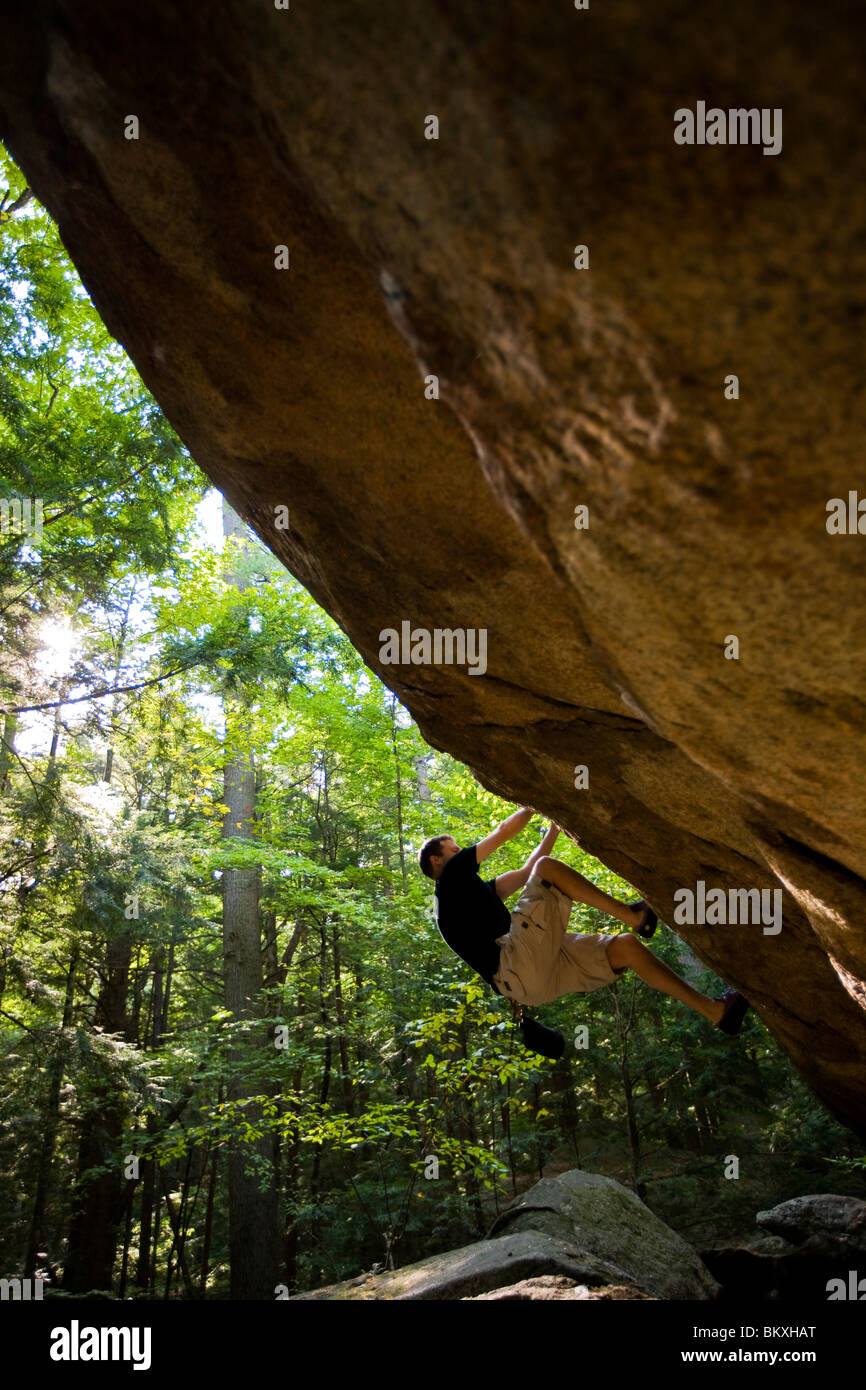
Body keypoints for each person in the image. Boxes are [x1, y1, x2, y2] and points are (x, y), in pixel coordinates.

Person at [419, 806, 750, 1034]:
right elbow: (505, 832)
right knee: (548, 870)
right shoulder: (449, 881)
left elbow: (524, 872)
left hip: (529, 981)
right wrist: (535, 802)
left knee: (626, 949)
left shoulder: (469, 895)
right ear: (438, 860)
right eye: (454, 848)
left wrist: (553, 827)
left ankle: (717, 1013)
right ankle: (634, 916)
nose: (461, 851)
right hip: (517, 965)